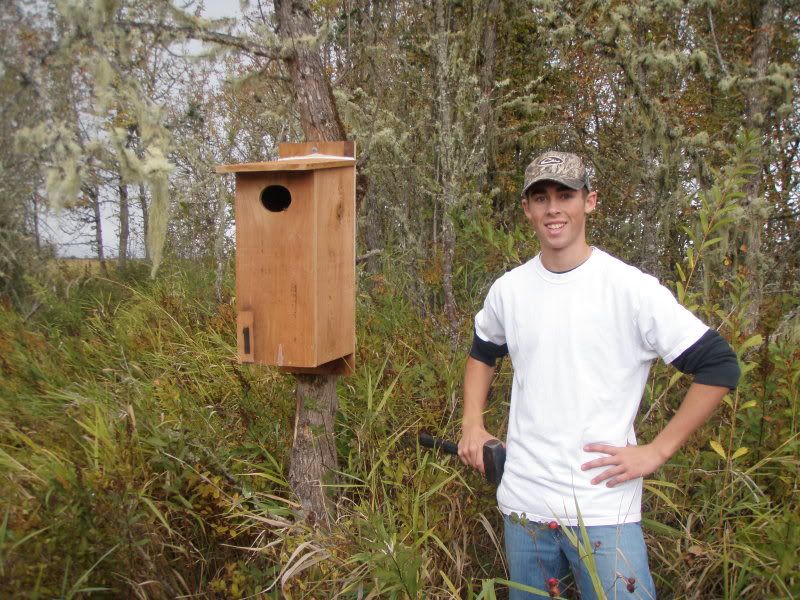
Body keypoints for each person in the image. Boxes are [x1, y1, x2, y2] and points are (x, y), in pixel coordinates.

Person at [457, 151, 740, 599]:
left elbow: (720, 365)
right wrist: (472, 423)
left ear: (590, 201)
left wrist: (657, 451)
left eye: (565, 195)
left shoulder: (629, 290)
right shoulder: (509, 291)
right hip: (524, 509)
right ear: (527, 208)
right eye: (541, 197)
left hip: (604, 510)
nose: (553, 209)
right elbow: (482, 351)